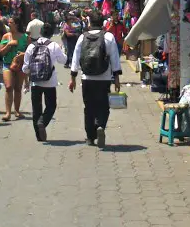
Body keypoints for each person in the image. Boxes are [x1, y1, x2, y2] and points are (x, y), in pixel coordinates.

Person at [69, 10, 122, 148]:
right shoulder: (109, 37)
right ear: (102, 22)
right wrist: (116, 78)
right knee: (103, 105)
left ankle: (90, 137)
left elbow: (76, 57)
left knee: (89, 107)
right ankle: (101, 126)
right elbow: (115, 58)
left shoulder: (82, 37)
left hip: (87, 78)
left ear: (89, 22)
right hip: (104, 77)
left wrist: (73, 77)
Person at [22, 23, 67, 142]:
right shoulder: (53, 45)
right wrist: (63, 50)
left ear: (40, 32)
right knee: (51, 106)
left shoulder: (31, 46)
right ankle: (43, 121)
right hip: (50, 81)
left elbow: (25, 68)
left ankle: (39, 136)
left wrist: (29, 78)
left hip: (35, 82)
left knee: (36, 108)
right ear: (52, 34)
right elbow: (63, 60)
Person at [0, 15, 30, 121]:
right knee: (8, 87)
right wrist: (9, 45)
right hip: (8, 64)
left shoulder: (25, 37)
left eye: (11, 22)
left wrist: (23, 54)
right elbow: (1, 53)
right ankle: (8, 112)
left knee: (18, 87)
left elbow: (30, 52)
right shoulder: (6, 36)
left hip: (20, 65)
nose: (8, 23)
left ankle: (17, 110)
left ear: (16, 24)